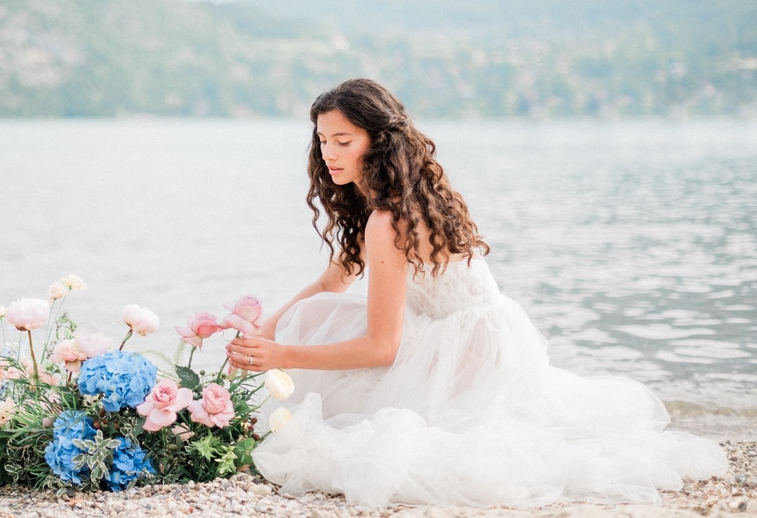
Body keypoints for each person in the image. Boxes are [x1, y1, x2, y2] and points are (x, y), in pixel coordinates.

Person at [226, 78, 727, 508]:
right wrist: (264, 329)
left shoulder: (390, 218)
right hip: (472, 334)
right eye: (322, 141)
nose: (329, 154)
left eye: (342, 140)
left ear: (376, 142)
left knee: (366, 424)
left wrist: (279, 354)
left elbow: (383, 348)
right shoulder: (390, 198)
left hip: (466, 353)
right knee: (317, 312)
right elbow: (330, 283)